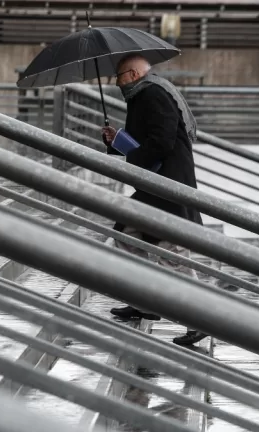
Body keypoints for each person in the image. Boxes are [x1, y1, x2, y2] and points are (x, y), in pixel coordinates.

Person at [100, 55, 207, 346]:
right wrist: (116, 141)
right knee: (127, 235)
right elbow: (146, 140)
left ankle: (201, 318)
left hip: (167, 184)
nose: (117, 82)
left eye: (119, 76)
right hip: (157, 184)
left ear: (133, 74)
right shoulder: (143, 94)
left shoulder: (153, 93)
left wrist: (132, 155)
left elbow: (161, 142)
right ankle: (143, 303)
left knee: (172, 251)